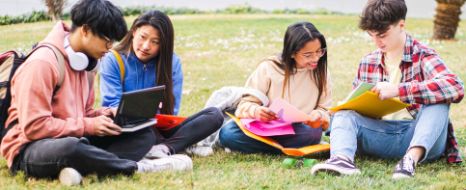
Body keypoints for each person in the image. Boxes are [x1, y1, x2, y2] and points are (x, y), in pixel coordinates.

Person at [0, 0, 192, 186]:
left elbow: (83, 113)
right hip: (30, 147)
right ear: (85, 30)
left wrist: (105, 114)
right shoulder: (42, 64)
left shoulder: (86, 64)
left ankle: (83, 168)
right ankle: (135, 167)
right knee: (72, 148)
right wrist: (89, 125)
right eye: (107, 42)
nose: (109, 50)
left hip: (72, 137)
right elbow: (34, 127)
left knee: (144, 134)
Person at [311, 0, 464, 179]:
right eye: (372, 35)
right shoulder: (368, 61)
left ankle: (409, 161)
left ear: (401, 25)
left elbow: (455, 87)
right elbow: (355, 108)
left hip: (421, 139)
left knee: (439, 103)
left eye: (382, 35)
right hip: (380, 135)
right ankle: (341, 160)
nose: (377, 42)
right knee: (344, 114)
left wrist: (398, 90)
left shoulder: (423, 55)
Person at [99, 10, 223, 159]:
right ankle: (179, 144)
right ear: (133, 32)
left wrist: (157, 119)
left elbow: (172, 110)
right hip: (128, 129)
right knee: (146, 134)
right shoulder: (113, 59)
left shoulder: (171, 62)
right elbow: (112, 103)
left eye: (155, 42)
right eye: (142, 37)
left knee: (214, 115)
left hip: (160, 126)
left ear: (163, 44)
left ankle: (165, 148)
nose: (146, 46)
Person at [218, 21, 332, 154]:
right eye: (308, 55)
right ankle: (282, 149)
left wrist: (318, 115)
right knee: (228, 133)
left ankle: (265, 148)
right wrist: (257, 111)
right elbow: (245, 104)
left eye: (319, 52)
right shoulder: (268, 68)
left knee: (312, 133)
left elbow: (324, 108)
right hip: (263, 126)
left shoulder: (322, 72)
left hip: (298, 128)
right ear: (291, 53)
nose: (315, 58)